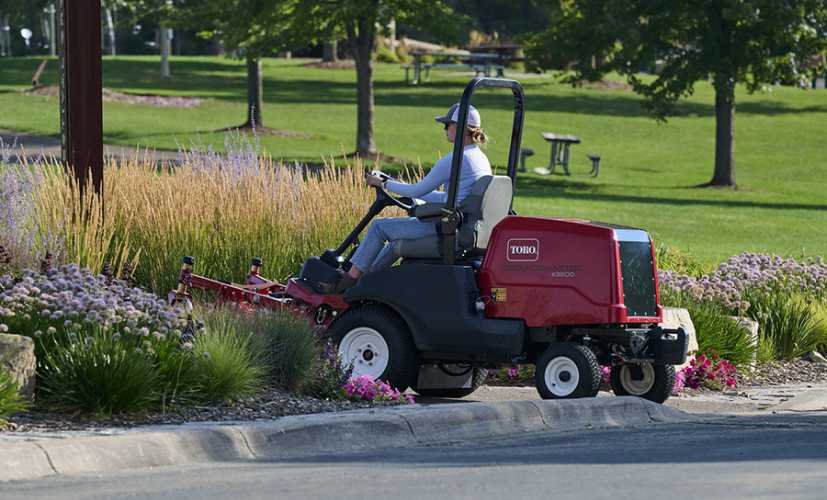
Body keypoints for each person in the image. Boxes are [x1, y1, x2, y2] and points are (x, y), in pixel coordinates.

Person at [325, 103, 492, 293]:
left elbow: (416, 190)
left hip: (446, 228)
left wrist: (384, 184)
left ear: (459, 127)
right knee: (393, 246)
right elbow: (448, 197)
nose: (445, 129)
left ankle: (345, 283)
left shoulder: (456, 159)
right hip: (459, 225)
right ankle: (365, 285)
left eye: (447, 125)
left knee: (379, 228)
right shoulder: (479, 158)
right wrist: (399, 185)